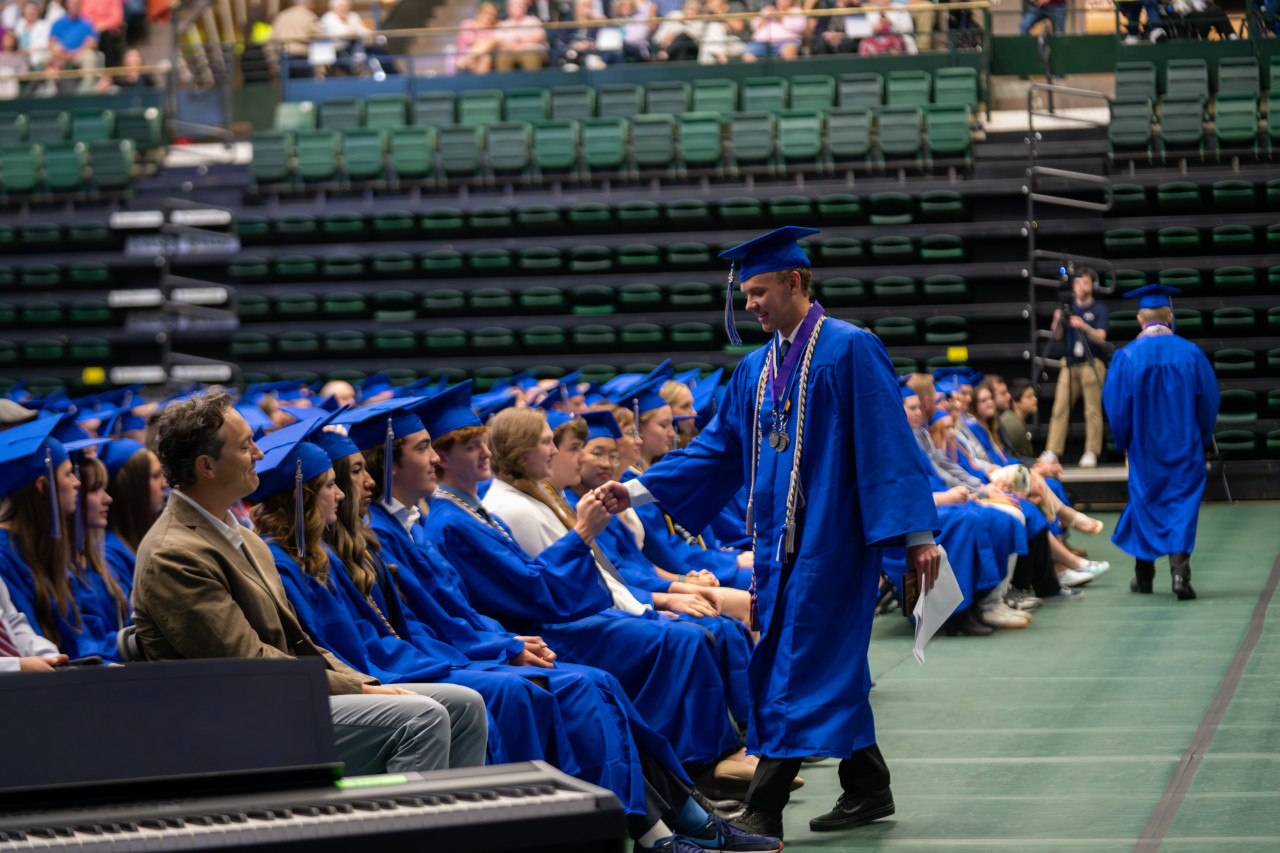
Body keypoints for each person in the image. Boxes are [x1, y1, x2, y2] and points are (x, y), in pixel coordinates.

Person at [598, 227, 943, 839]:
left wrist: (917, 536)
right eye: (745, 294)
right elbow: (714, 451)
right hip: (776, 552)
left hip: (834, 544)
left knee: (797, 667)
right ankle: (869, 786)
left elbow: (889, 446)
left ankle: (765, 805)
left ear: (796, 281)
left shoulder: (849, 349)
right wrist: (638, 489)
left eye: (759, 291)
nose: (750, 304)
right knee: (816, 665)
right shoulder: (756, 369)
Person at [131, 388, 489, 775]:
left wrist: (362, 681)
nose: (259, 454)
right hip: (239, 718)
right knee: (420, 719)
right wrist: (360, 691)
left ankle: (454, 818)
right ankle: (405, 830)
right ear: (206, 465)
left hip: (283, 693)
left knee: (465, 705)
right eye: (245, 446)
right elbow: (247, 665)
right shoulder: (175, 554)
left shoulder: (240, 536)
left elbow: (302, 641)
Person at [415, 389, 751, 780]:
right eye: (471, 447)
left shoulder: (480, 509)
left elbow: (605, 570)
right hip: (542, 625)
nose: (557, 452)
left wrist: (668, 589)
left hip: (557, 613)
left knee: (695, 629)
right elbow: (535, 590)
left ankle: (723, 750)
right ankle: (697, 765)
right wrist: (585, 536)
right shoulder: (461, 519)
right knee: (682, 638)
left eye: (483, 444)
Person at [1102, 285, 1218, 600]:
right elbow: (1208, 402)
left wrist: (1123, 440)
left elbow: (1116, 407)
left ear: (1141, 320)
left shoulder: (1125, 357)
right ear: (1169, 316)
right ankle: (1180, 575)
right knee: (1181, 505)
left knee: (1145, 502)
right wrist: (1203, 436)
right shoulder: (1191, 352)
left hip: (1144, 448)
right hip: (1184, 446)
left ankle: (1144, 575)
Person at [0, 417, 124, 661]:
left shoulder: (44, 546)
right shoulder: (5, 555)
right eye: (69, 474)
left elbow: (81, 632)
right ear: (43, 486)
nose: (78, 483)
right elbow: (29, 638)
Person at [1046, 267, 1109, 468]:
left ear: (1092, 285)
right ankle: (1052, 450)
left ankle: (1091, 451)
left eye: (1086, 282)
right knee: (1060, 407)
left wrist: (1084, 326)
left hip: (1092, 362)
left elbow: (1101, 337)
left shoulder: (1099, 309)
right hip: (1070, 362)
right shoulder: (1067, 308)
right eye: (1078, 282)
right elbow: (1056, 337)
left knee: (1092, 410)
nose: (1081, 286)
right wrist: (1057, 319)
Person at [100, 438, 166, 598]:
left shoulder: (145, 536)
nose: (165, 484)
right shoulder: (111, 556)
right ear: (132, 487)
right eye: (156, 476)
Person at [270, 0, 321, 78]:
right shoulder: (309, 15)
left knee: (287, 88)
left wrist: (273, 61)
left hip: (283, 57)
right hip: (302, 58)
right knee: (304, 86)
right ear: (308, 4)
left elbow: (271, 41)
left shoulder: (281, 16)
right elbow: (320, 37)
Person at [494, 0, 549, 70]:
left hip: (531, 50)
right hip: (509, 51)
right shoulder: (503, 24)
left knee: (530, 56)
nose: (522, 7)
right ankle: (504, 80)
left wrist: (518, 40)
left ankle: (533, 80)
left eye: (523, 5)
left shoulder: (533, 20)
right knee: (503, 58)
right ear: (509, 8)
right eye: (518, 5)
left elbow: (539, 37)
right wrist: (514, 46)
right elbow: (499, 43)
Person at [1001, 378, 1037, 458]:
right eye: (1029, 397)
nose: (1035, 399)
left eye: (1033, 395)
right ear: (1015, 402)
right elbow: (1022, 457)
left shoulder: (1013, 419)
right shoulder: (1013, 425)